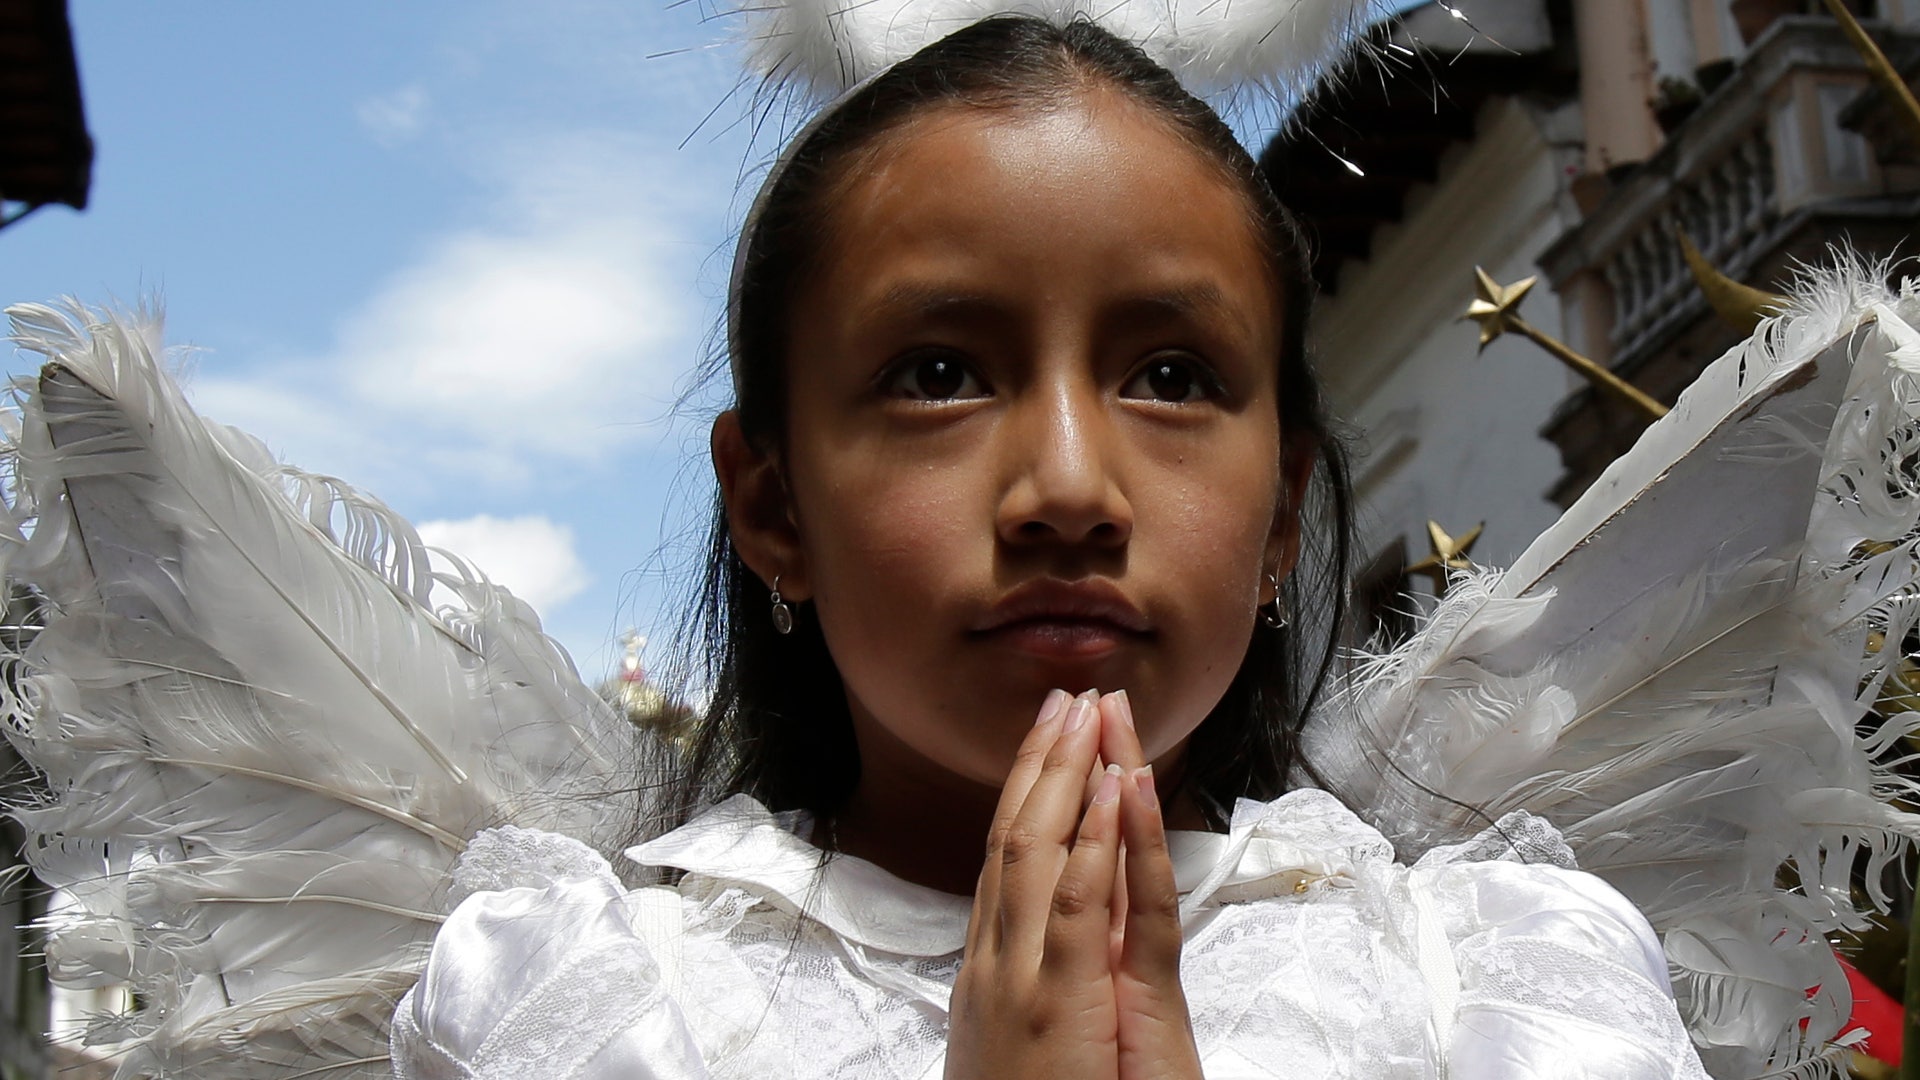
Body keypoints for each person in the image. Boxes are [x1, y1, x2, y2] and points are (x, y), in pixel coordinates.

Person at [388, 17, 1710, 1078]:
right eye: (942, 373)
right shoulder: (571, 1019)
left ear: (1281, 514)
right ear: (776, 510)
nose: (1070, 487)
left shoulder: (1505, 991)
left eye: (1175, 377)